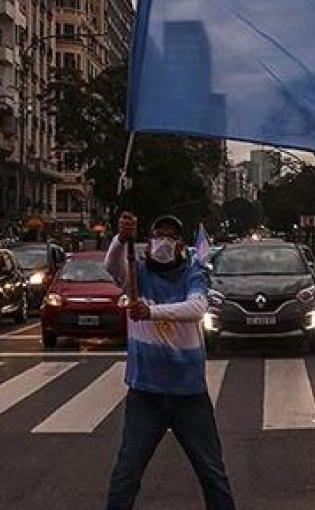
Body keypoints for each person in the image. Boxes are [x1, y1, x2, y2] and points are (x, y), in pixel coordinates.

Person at [103, 213, 235, 510]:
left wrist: (151, 313)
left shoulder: (194, 274)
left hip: (188, 395)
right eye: (158, 235)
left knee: (212, 473)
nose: (164, 241)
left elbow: (197, 307)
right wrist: (120, 238)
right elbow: (111, 265)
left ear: (181, 246)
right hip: (145, 393)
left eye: (171, 236)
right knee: (126, 473)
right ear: (148, 242)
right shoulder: (136, 274)